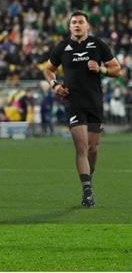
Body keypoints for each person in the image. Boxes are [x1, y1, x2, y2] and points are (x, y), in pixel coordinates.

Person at [44, 11, 121, 207]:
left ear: (87, 26)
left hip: (94, 102)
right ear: (69, 27)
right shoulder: (62, 47)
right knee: (81, 146)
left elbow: (116, 69)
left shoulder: (98, 45)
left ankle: (89, 178)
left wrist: (101, 69)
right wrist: (55, 86)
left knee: (93, 148)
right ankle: (87, 191)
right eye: (73, 23)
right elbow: (48, 70)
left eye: (80, 22)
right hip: (73, 103)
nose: (77, 25)